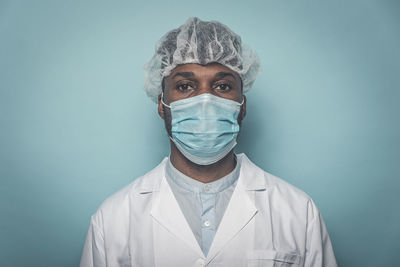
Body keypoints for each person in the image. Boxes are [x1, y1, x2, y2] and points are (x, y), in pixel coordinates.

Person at [80, 17, 337, 267]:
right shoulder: (113, 218)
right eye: (185, 86)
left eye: (222, 86)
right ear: (161, 104)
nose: (205, 100)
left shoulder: (297, 212)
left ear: (242, 105)